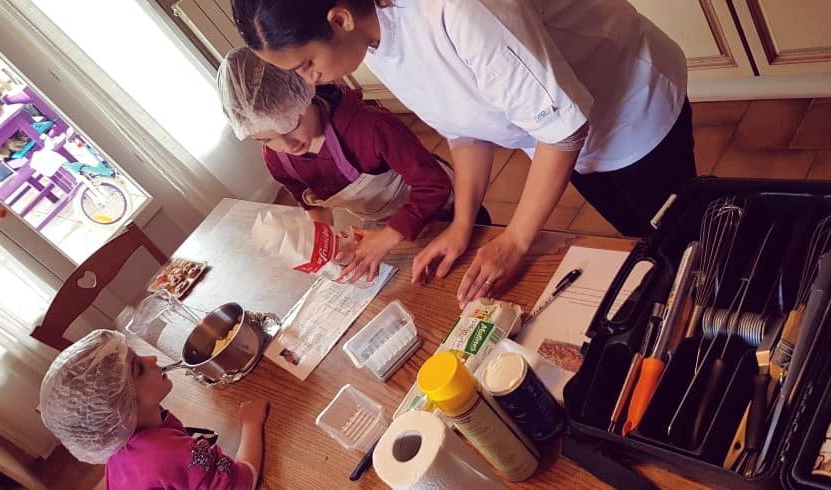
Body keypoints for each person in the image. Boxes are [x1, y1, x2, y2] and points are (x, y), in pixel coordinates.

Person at [231, 0, 695, 308]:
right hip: (569, 138)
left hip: (633, 108)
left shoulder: (455, 8)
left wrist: (515, 240)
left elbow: (563, 128)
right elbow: (465, 130)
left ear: (338, 19)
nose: (309, 81)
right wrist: (462, 223)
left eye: (306, 65)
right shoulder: (367, 37)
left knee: (690, 239)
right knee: (643, 238)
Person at [218, 47, 467, 283]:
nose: (288, 145)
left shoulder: (369, 128)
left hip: (449, 215)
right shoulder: (277, 160)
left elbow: (434, 186)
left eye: (291, 125)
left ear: (303, 92)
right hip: (388, 230)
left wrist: (388, 237)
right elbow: (311, 203)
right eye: (266, 139)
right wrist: (320, 242)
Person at [38, 330, 267, 489]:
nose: (152, 359)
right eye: (138, 369)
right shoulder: (168, 453)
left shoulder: (118, 447)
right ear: (124, 409)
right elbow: (243, 481)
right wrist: (251, 424)